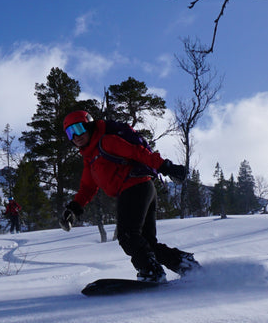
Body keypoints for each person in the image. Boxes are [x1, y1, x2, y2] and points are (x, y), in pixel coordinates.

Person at [59, 109, 198, 282]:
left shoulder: (107, 141)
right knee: (146, 243)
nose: (76, 136)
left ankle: (151, 272)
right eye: (70, 133)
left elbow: (138, 152)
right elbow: (87, 188)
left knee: (127, 235)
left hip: (135, 187)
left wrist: (166, 167)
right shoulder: (90, 158)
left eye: (78, 129)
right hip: (141, 189)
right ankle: (186, 265)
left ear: (89, 126)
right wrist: (73, 209)